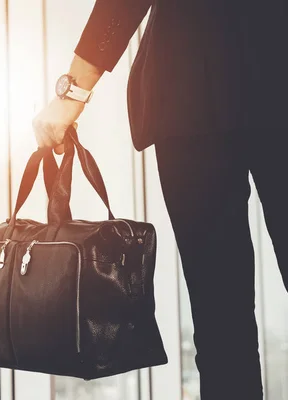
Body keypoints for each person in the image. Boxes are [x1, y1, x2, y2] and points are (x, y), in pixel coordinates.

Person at [32, 1, 288, 399]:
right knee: (221, 322)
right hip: (210, 92)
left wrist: (72, 95)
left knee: (221, 321)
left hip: (192, 92)